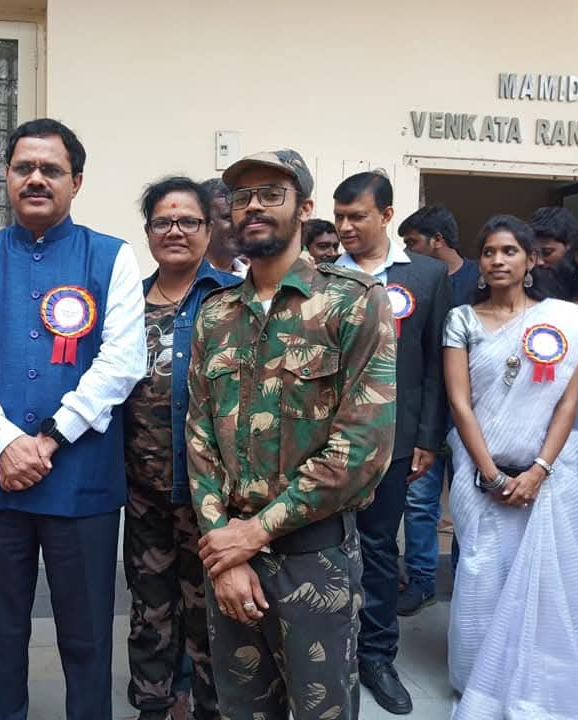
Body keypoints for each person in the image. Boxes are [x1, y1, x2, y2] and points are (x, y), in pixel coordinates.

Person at [0, 118, 145, 719]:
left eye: (51, 169)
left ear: (76, 182)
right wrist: (6, 442)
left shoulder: (112, 257)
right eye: (23, 167)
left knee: (87, 635)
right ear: (6, 176)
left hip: (81, 480)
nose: (36, 178)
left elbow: (122, 361)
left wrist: (49, 438)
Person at [187, 150, 397, 720]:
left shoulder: (353, 302)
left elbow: (362, 450)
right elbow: (199, 438)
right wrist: (226, 550)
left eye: (270, 194)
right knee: (241, 710)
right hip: (229, 559)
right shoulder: (215, 315)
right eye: (241, 196)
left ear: (304, 207)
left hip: (314, 559)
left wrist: (253, 534)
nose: (252, 206)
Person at [444, 215, 578, 718]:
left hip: (546, 477)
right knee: (481, 573)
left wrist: (538, 470)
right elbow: (460, 404)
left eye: (509, 251)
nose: (497, 260)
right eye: (488, 251)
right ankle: (478, 680)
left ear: (531, 261)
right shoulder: (462, 319)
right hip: (478, 474)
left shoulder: (565, 321)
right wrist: (491, 475)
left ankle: (534, 676)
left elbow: (567, 404)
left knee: (544, 582)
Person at [333, 172, 451, 715]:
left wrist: (428, 438)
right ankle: (328, 652)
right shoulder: (321, 275)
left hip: (396, 440)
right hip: (328, 440)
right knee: (325, 549)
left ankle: (377, 656)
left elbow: (435, 363)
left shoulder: (425, 275)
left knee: (380, 548)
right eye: (339, 217)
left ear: (385, 215)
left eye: (356, 216)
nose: (345, 227)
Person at [125, 176, 239, 720]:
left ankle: (208, 708)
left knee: (210, 611)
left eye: (188, 221)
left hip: (210, 494)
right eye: (162, 222)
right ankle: (152, 704)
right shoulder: (125, 302)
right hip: (141, 490)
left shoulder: (231, 298)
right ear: (148, 231)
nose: (175, 231)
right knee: (149, 608)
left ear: (209, 228)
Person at [395, 204, 479, 613]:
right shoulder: (408, 282)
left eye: (412, 243)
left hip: (473, 414)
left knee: (469, 501)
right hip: (426, 411)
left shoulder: (479, 280)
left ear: (437, 241)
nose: (407, 251)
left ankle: (467, 582)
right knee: (420, 502)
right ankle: (421, 580)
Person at [201, 178, 248, 277]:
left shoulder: (255, 278)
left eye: (244, 217)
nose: (240, 225)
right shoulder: (182, 279)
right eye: (230, 218)